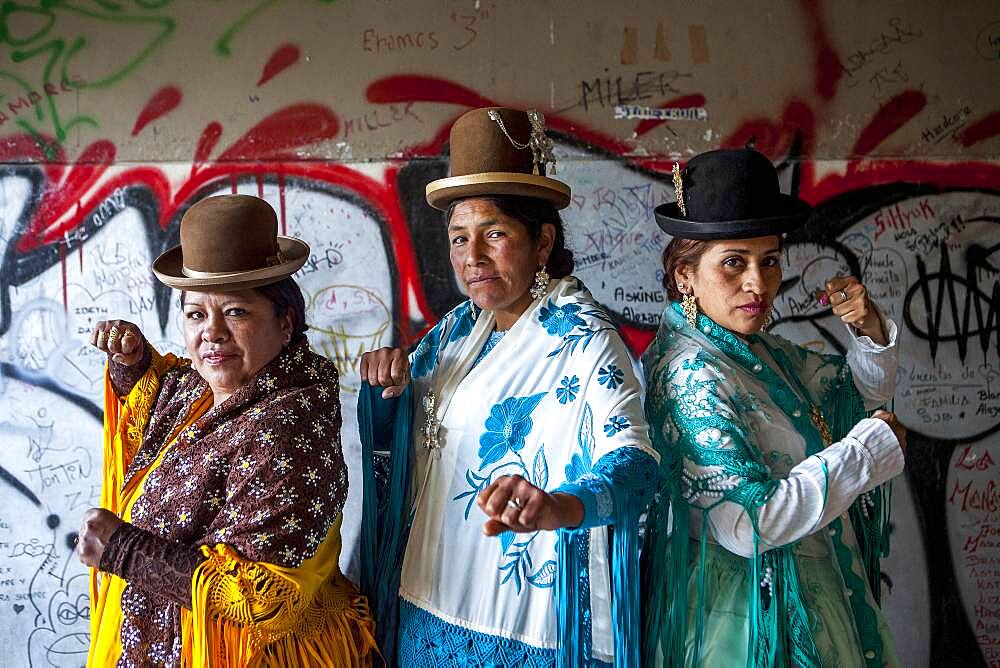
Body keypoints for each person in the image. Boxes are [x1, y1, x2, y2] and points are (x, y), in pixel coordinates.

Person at [356, 107, 660, 666]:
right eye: (458, 239)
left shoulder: (585, 341)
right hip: (429, 597)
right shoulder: (455, 331)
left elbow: (638, 468)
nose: (472, 258)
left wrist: (560, 507)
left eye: (494, 234)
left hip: (522, 626)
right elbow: (405, 441)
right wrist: (385, 390)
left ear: (541, 243)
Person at [78, 195, 377, 667]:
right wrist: (132, 364)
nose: (211, 333)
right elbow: (159, 410)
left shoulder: (289, 423)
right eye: (196, 314)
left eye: (236, 312)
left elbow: (262, 600)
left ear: (285, 322)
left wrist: (124, 549)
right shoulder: (204, 389)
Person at [640, 149, 906, 667]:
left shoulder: (762, 353)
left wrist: (867, 327)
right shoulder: (689, 373)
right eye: (733, 263)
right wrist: (864, 454)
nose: (758, 284)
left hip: (806, 596)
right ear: (685, 275)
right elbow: (747, 521)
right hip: (741, 625)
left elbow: (855, 397)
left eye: (770, 261)